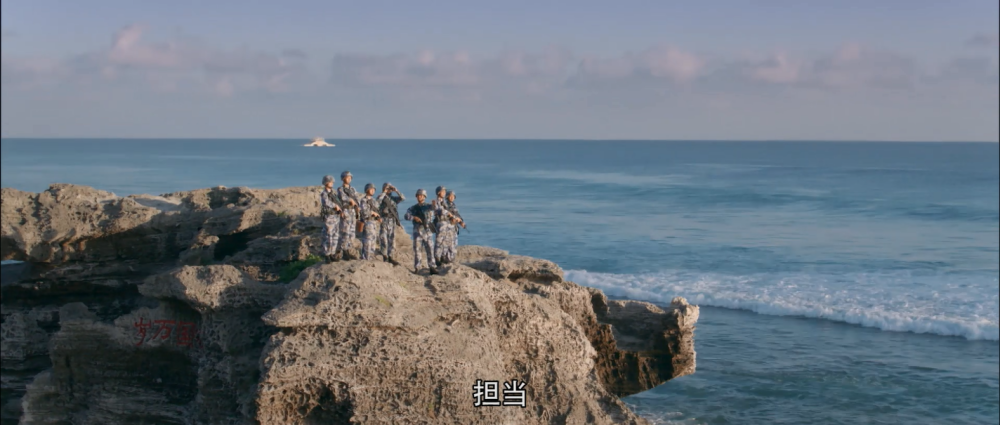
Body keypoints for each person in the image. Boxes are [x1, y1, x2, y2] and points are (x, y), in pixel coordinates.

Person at [404, 189, 437, 274]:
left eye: (421, 195)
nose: (419, 197)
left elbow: (435, 209)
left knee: (430, 249)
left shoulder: (428, 206)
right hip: (417, 231)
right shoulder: (413, 208)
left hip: (427, 231)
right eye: (418, 195)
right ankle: (417, 267)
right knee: (417, 250)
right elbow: (406, 216)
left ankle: (432, 267)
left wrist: (435, 204)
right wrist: (414, 217)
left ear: (424, 197)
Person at [318, 175, 346, 262]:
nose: (332, 183)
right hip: (329, 216)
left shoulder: (333, 193)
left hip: (336, 216)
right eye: (330, 182)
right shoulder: (324, 193)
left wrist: (341, 210)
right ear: (326, 183)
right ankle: (327, 254)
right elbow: (326, 202)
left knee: (335, 235)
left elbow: (338, 202)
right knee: (328, 236)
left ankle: (332, 253)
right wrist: (335, 206)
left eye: (332, 182)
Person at [376, 182, 405, 264]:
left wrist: (396, 190)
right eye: (387, 188)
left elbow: (402, 198)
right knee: (383, 238)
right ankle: (384, 255)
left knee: (391, 239)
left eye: (389, 188)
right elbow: (377, 202)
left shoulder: (393, 198)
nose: (389, 189)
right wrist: (384, 192)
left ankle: (390, 256)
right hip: (384, 219)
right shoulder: (381, 196)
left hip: (392, 220)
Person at [335, 171, 361, 260]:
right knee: (345, 232)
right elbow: (343, 197)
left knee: (351, 233)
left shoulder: (352, 189)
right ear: (343, 178)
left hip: (352, 212)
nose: (349, 179)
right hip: (346, 211)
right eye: (347, 177)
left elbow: (357, 198)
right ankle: (344, 251)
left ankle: (349, 250)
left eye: (350, 177)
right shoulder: (340, 189)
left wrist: (357, 207)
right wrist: (350, 200)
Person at [357, 183, 382, 260]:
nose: (373, 191)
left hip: (373, 222)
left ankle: (371, 256)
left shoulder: (373, 201)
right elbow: (364, 212)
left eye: (374, 189)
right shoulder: (364, 200)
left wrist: (378, 217)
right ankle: (366, 257)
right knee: (367, 241)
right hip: (367, 222)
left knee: (373, 240)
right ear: (367, 190)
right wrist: (372, 213)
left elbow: (378, 208)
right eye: (371, 189)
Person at [439, 190, 465, 264]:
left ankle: (450, 259)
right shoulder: (445, 205)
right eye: (450, 196)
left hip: (454, 227)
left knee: (453, 244)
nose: (452, 197)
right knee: (446, 244)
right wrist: (455, 218)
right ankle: (445, 259)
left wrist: (461, 221)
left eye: (453, 196)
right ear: (447, 197)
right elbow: (447, 215)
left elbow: (457, 214)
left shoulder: (453, 205)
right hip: (447, 227)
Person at [431, 185, 452, 267]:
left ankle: (443, 256)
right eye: (443, 191)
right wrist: (447, 212)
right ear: (438, 192)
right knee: (439, 241)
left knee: (445, 240)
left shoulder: (444, 202)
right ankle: (437, 258)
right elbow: (438, 210)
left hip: (446, 222)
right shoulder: (436, 201)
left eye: (445, 191)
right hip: (440, 222)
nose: (444, 193)